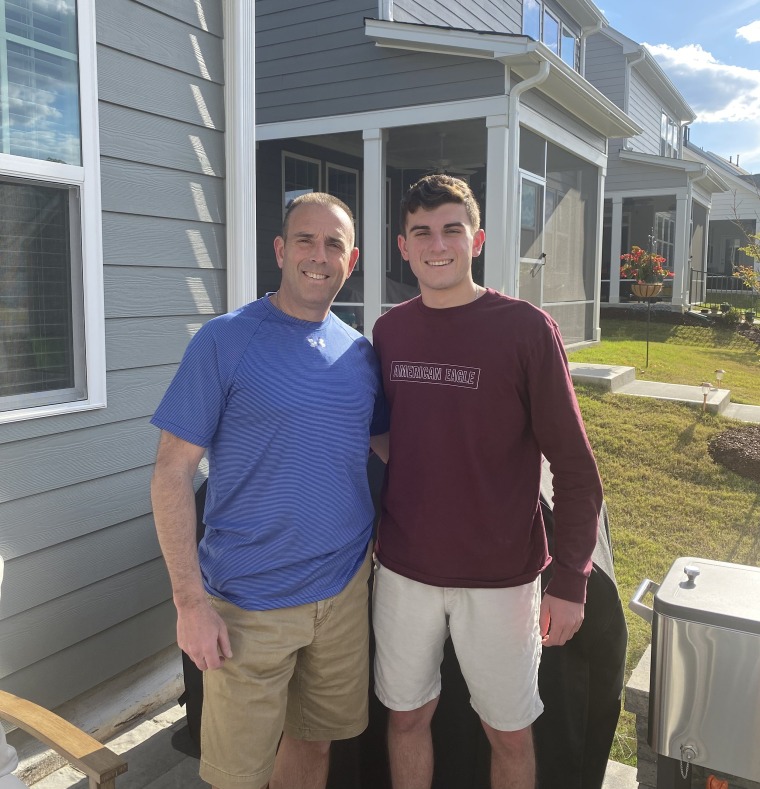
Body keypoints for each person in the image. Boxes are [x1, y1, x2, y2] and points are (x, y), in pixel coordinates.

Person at [371, 174, 603, 789]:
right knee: (406, 717)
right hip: (404, 570)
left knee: (508, 730)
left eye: (452, 229)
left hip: (502, 576)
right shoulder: (389, 332)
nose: (437, 243)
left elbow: (576, 468)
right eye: (421, 231)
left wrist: (571, 581)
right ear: (403, 245)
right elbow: (383, 433)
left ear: (476, 239)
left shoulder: (526, 330)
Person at [150, 192, 387, 789]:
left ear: (351, 260)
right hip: (250, 602)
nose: (319, 255)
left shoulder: (360, 353)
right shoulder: (225, 341)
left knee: (314, 745)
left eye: (334, 243)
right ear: (280, 251)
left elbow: (392, 451)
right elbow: (171, 474)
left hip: (343, 593)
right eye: (305, 239)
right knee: (238, 775)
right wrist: (190, 605)